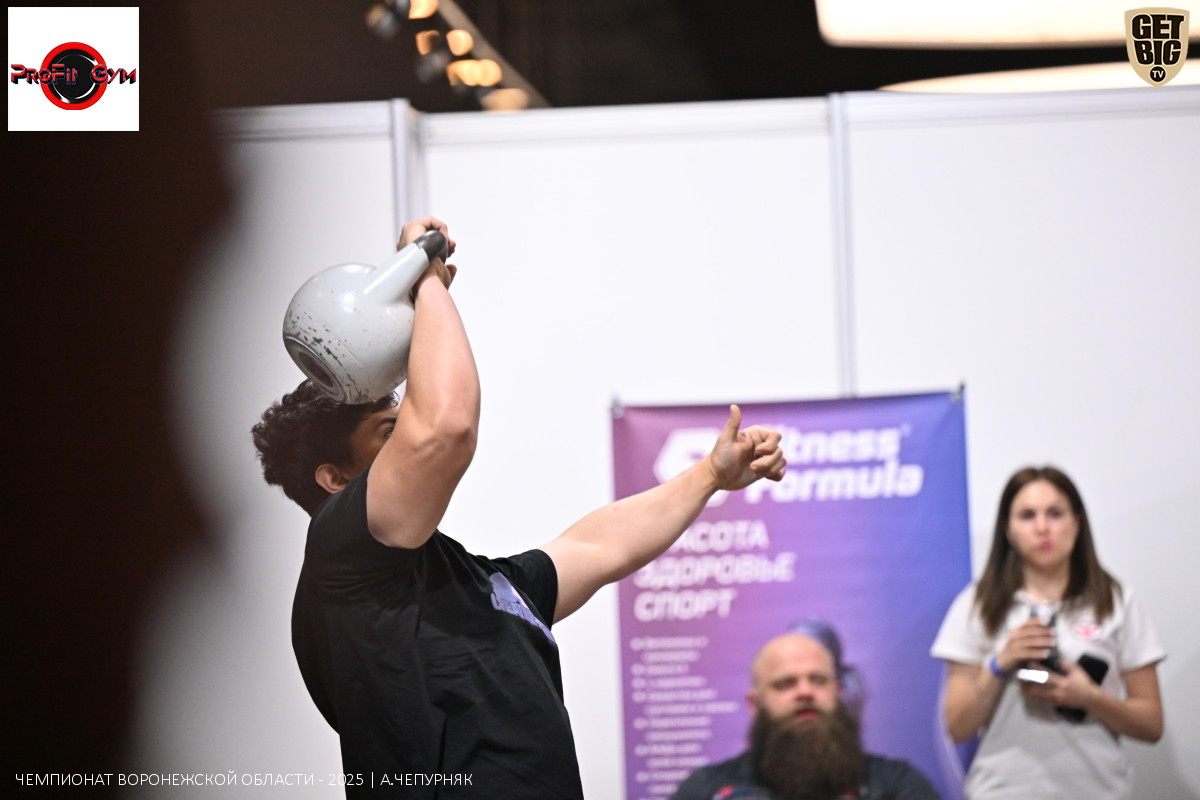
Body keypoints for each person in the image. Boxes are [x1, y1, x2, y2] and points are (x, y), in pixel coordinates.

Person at [251, 217, 787, 798]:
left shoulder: (477, 583)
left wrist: (710, 475)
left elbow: (598, 546)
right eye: (389, 430)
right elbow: (446, 429)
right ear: (335, 479)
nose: (407, 433)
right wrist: (425, 277)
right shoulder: (342, 559)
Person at [931, 466, 1165, 800]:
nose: (1042, 528)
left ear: (1077, 522)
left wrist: (1089, 698)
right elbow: (957, 727)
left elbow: (1152, 725)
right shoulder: (978, 604)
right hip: (1002, 791)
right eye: (1027, 516)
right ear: (1008, 529)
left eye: (1055, 513)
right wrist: (1000, 663)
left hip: (1098, 791)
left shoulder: (1115, 600)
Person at [670, 620, 941, 800]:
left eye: (818, 680)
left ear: (838, 691)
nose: (805, 692)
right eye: (785, 683)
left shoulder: (895, 785)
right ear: (755, 703)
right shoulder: (707, 789)